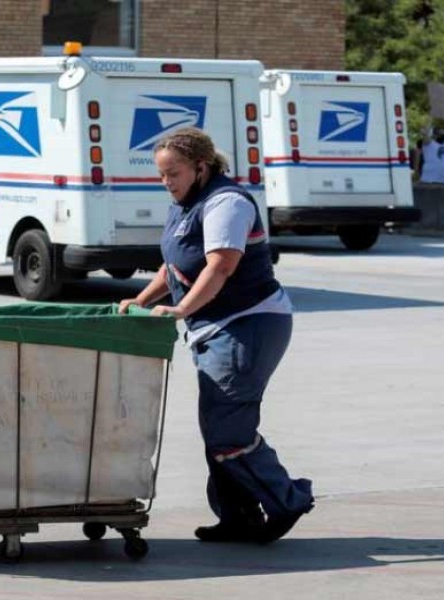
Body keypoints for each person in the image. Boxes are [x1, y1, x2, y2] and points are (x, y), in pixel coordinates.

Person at [119, 127, 313, 544]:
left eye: (174, 173)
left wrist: (182, 309)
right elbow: (174, 266)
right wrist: (139, 299)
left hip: (248, 323)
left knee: (228, 431)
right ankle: (238, 517)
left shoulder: (227, 203)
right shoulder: (185, 204)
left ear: (201, 167)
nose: (167, 183)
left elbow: (220, 266)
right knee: (218, 427)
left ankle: (287, 499)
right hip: (216, 327)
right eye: (162, 176)